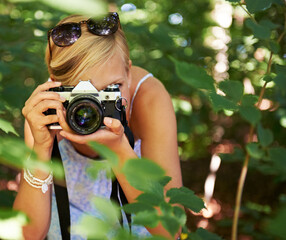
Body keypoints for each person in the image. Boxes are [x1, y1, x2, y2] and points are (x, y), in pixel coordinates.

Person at [14, 12, 183, 240]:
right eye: (82, 93)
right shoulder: (46, 110)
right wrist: (42, 149)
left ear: (129, 73)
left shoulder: (148, 98)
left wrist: (120, 150)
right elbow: (27, 235)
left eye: (112, 87)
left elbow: (170, 230)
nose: (93, 106)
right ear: (55, 86)